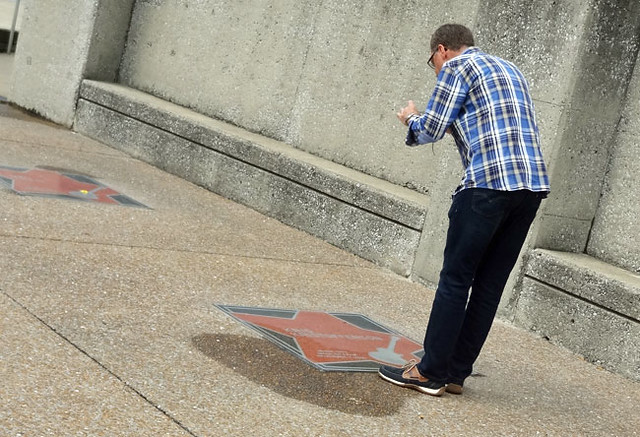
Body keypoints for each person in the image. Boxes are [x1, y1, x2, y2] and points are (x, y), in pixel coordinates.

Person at [378, 23, 550, 396]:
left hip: (487, 186)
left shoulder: (457, 68)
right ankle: (455, 373)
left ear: (442, 50)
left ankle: (429, 373)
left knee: (456, 279)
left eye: (432, 62)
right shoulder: (510, 69)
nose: (436, 70)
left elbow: (432, 129)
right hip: (530, 188)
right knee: (489, 285)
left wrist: (409, 117)